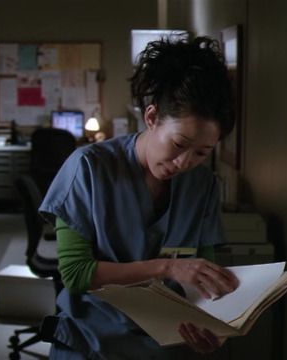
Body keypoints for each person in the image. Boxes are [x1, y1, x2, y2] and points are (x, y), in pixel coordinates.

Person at [39, 36, 241, 359]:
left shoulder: (201, 185)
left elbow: (202, 279)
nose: (184, 162)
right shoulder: (88, 169)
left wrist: (212, 326)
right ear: (151, 118)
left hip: (165, 347)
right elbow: (76, 274)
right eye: (178, 144)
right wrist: (167, 268)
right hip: (91, 345)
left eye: (201, 152)